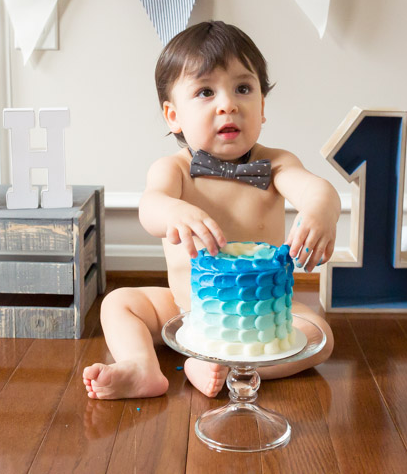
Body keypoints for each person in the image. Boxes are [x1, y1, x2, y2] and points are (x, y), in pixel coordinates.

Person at [83, 21, 338, 399]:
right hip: (184, 307)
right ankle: (140, 368)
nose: (228, 104)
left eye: (243, 88)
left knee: (320, 337)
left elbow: (316, 189)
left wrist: (321, 211)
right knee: (119, 304)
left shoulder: (277, 163)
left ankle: (228, 364)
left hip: (257, 318)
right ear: (174, 116)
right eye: (205, 91)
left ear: (262, 106)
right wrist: (172, 211)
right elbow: (150, 207)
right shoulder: (174, 169)